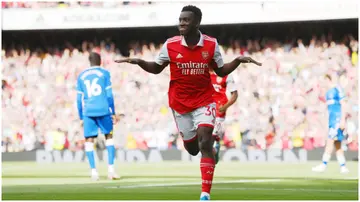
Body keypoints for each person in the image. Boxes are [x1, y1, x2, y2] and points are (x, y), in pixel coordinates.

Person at [115, 5, 261, 200]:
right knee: (193, 149)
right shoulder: (170, 45)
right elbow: (157, 68)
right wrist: (140, 62)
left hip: (204, 101)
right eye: (180, 19)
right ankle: (192, 146)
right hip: (180, 104)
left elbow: (220, 71)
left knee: (206, 140)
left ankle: (205, 194)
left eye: (186, 20)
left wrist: (237, 61)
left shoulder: (211, 44)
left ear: (197, 23)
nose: (181, 23)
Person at [77, 52, 119, 180]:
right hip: (103, 109)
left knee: (89, 141)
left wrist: (80, 117)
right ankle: (111, 171)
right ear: (100, 61)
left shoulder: (81, 76)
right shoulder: (105, 73)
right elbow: (109, 95)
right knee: (109, 137)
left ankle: (94, 172)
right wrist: (113, 112)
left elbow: (79, 99)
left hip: (88, 111)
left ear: (89, 62)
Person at [312, 73, 349, 173]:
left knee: (330, 142)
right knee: (337, 144)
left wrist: (343, 120)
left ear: (328, 80)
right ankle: (343, 167)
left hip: (337, 120)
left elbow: (343, 104)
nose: (322, 84)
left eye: (323, 81)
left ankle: (323, 165)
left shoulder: (337, 89)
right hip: (332, 121)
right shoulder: (328, 93)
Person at [210, 69, 238, 164]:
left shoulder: (226, 75)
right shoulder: (202, 72)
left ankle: (215, 147)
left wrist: (225, 107)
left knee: (212, 135)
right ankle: (214, 147)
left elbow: (234, 94)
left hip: (219, 109)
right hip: (204, 107)